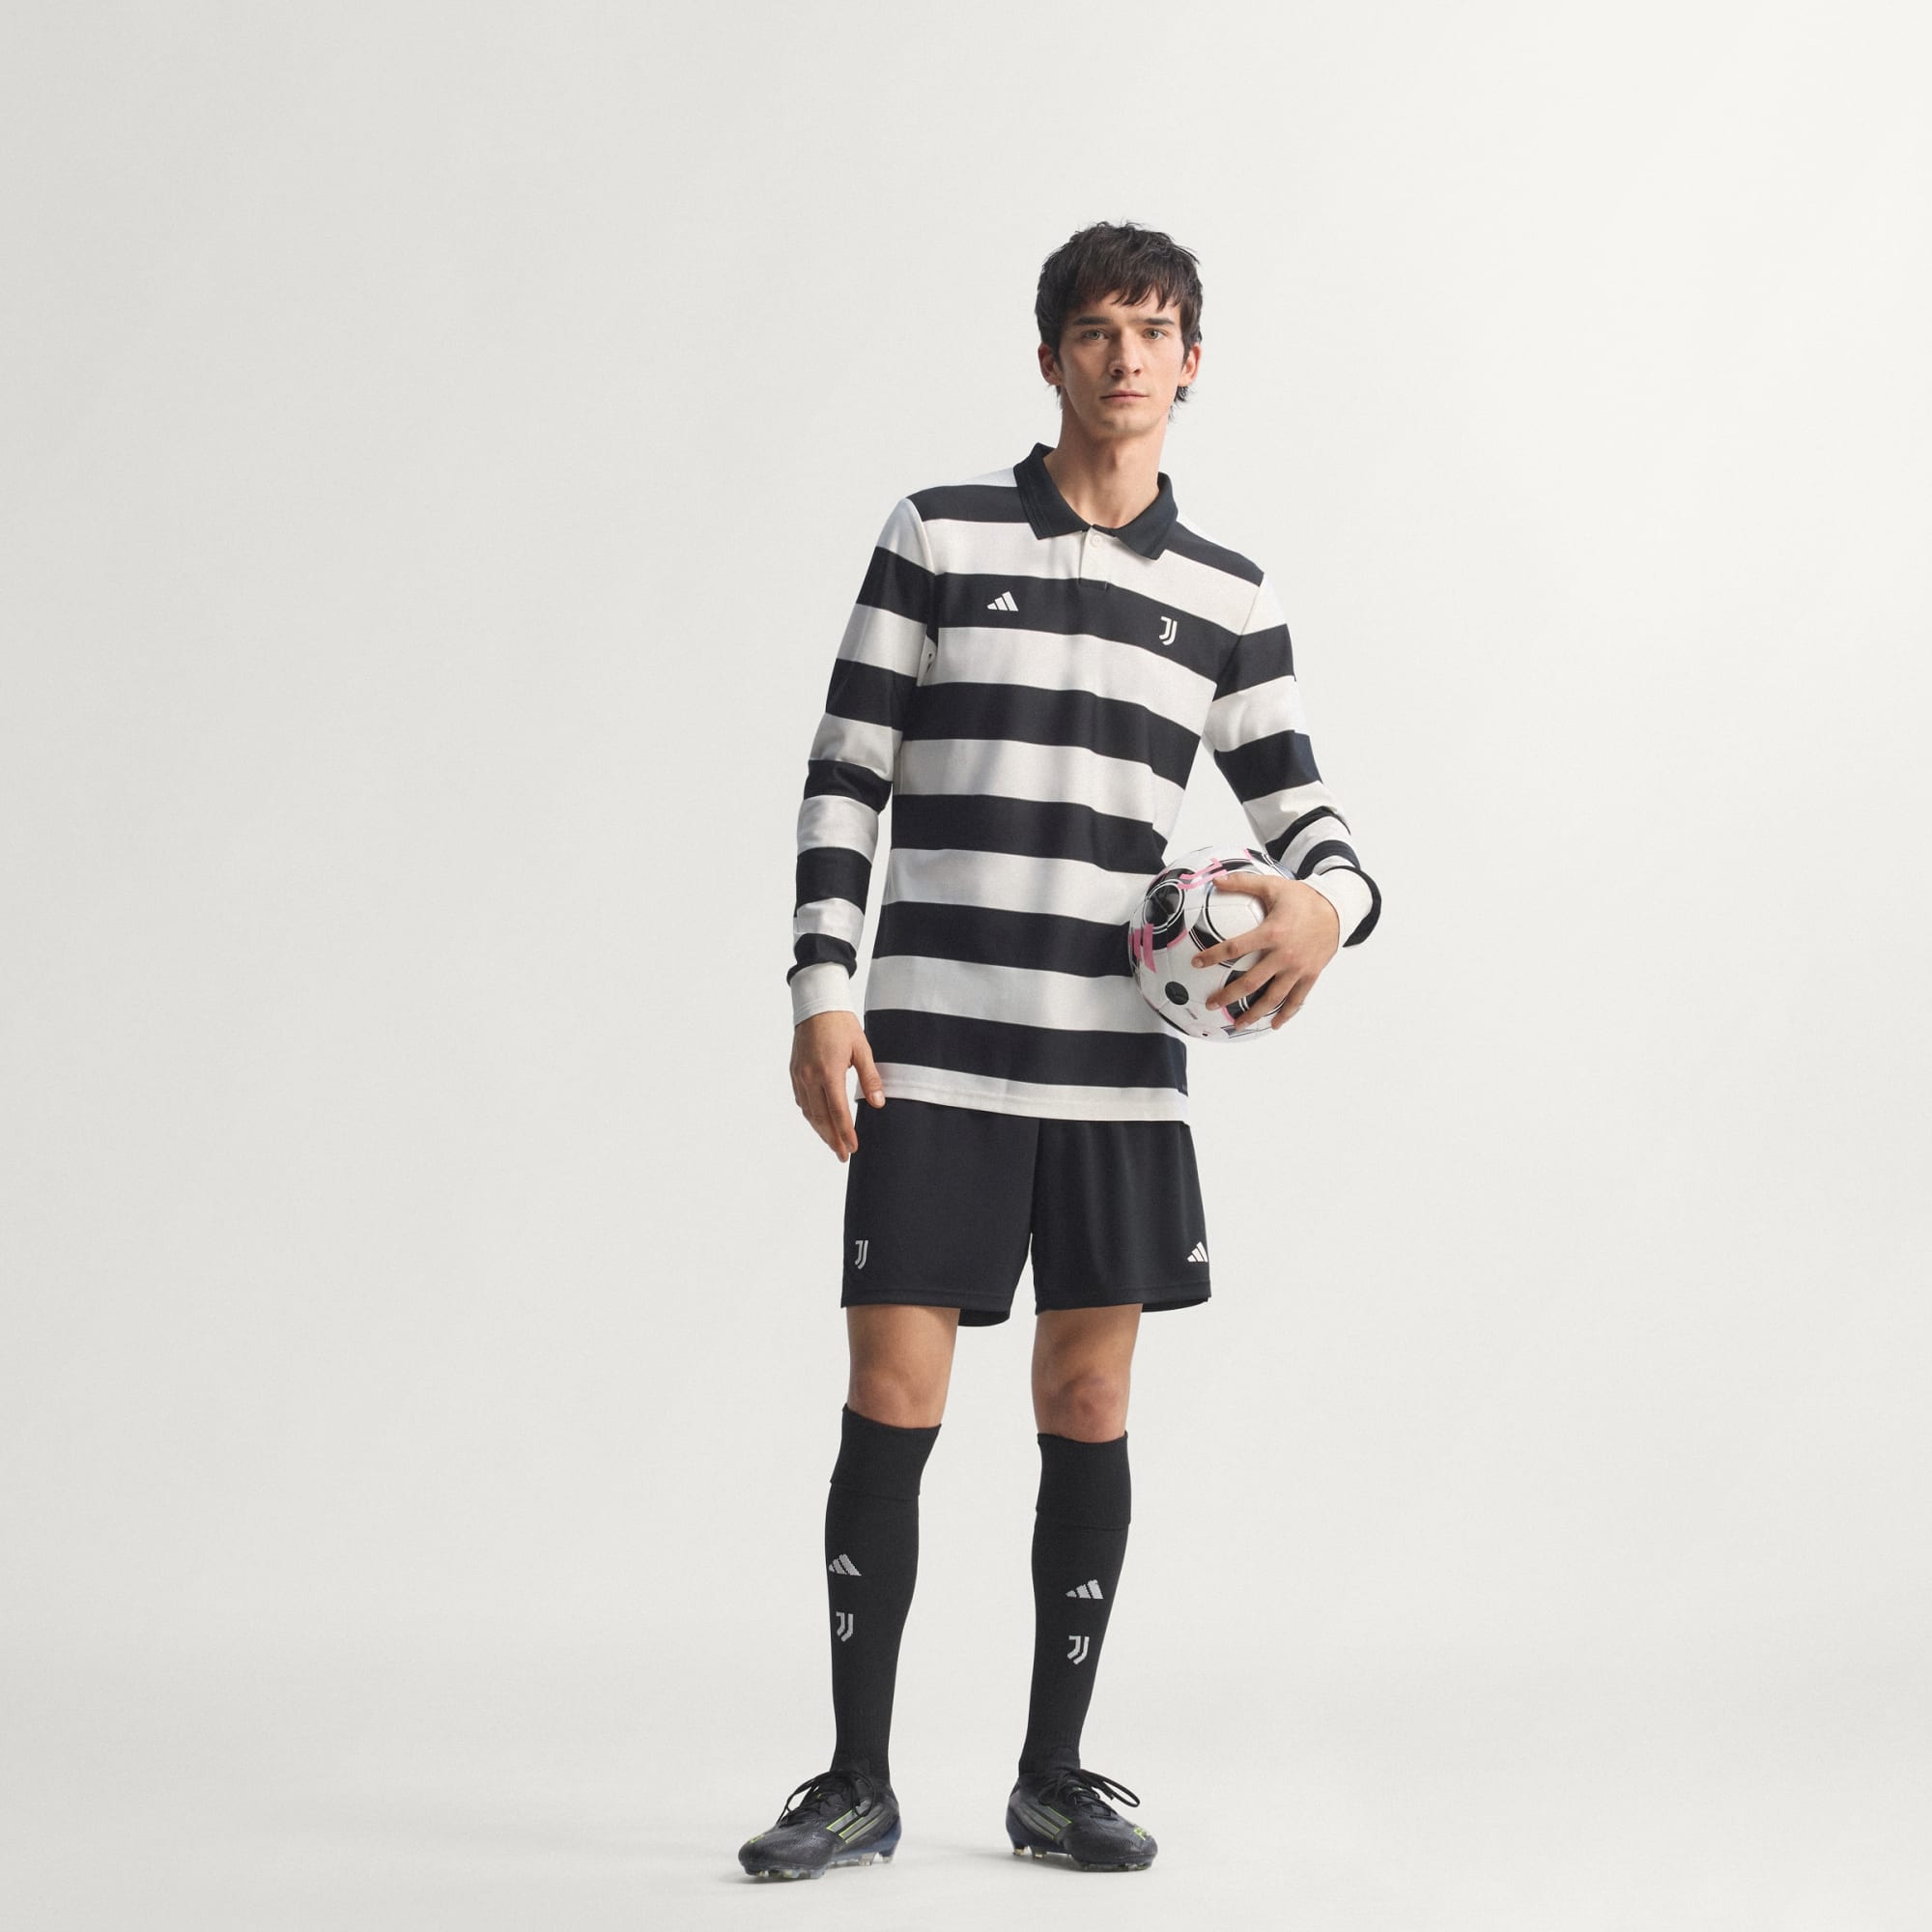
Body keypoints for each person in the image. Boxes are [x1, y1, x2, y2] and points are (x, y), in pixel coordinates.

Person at [738, 219, 1382, 1882]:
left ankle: (1053, 1776)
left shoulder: (1229, 593)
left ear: (1192, 363)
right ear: (1050, 359)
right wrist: (822, 992)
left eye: (1154, 330)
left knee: (1088, 1396)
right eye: (1096, 329)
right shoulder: (939, 532)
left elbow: (1308, 812)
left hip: (1113, 1074)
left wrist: (1329, 909)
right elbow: (844, 773)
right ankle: (855, 1781)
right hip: (932, 1052)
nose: (1124, 356)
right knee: (892, 1396)